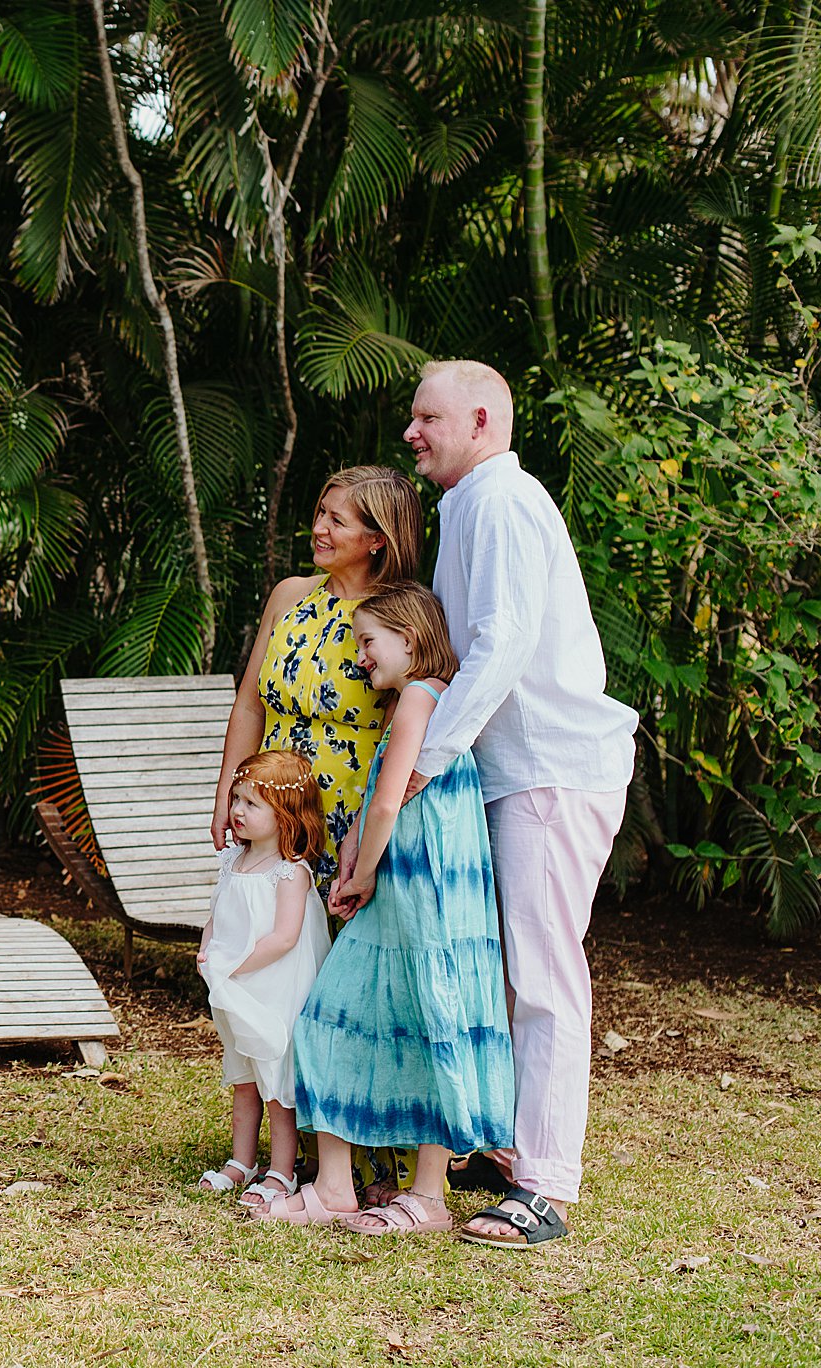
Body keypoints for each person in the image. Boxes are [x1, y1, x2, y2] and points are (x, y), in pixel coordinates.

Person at [397, 360, 638, 1249]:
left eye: (428, 418)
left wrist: (428, 756)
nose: (413, 433)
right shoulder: (469, 502)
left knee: (542, 976)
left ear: (482, 419)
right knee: (507, 972)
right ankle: (501, 1147)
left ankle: (545, 1187)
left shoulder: (502, 498)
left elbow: (500, 644)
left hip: (550, 769)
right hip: (516, 771)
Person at [260, 583, 515, 1232]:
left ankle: (422, 1196)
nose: (361, 657)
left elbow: (386, 802)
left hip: (418, 896)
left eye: (369, 641)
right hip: (409, 896)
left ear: (410, 638)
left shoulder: (422, 701)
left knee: (383, 1023)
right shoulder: (427, 703)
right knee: (351, 1022)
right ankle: (341, 1185)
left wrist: (358, 877)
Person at [213, 467, 422, 884]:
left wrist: (365, 827)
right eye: (321, 513)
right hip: (270, 810)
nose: (318, 528)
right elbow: (250, 708)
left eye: (336, 521)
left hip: (347, 812)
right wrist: (228, 796)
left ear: (377, 539)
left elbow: (396, 732)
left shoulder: (400, 618)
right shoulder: (290, 594)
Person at [193, 750, 331, 1211]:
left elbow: (284, 938)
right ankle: (242, 1161)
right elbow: (218, 913)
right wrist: (209, 948)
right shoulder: (234, 860)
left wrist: (233, 965)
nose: (236, 811)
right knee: (245, 1075)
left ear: (286, 815)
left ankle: (282, 1169)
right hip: (236, 985)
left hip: (273, 986)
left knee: (276, 1077)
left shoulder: (290, 873)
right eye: (236, 799)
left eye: (251, 803)